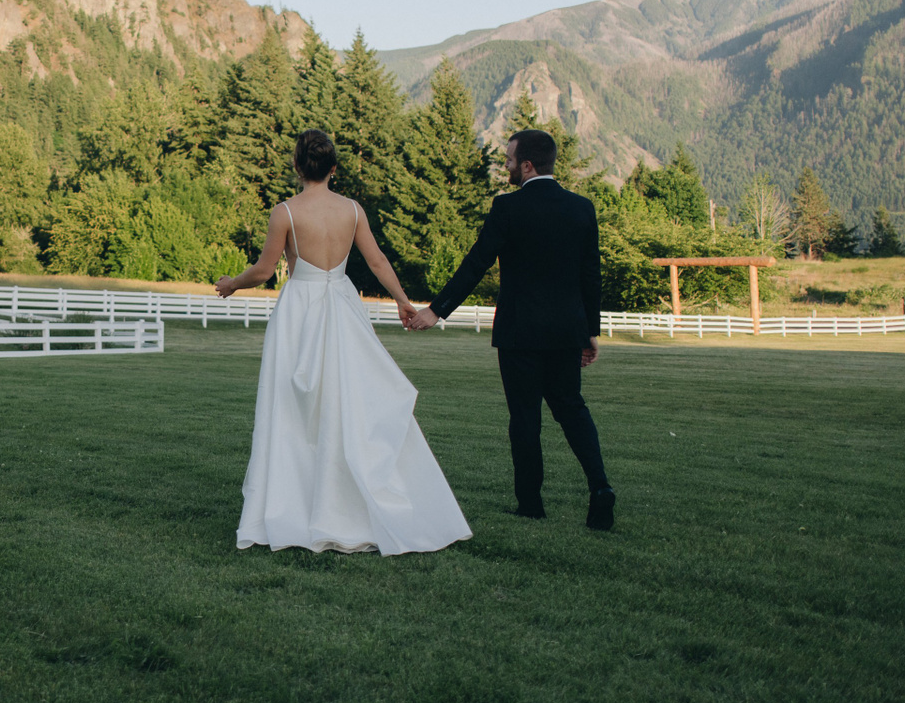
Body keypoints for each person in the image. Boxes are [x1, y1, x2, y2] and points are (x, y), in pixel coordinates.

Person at [219, 129, 472, 554]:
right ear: (333, 168)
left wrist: (231, 284)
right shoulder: (352, 210)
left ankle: (297, 502)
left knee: (292, 407)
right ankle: (343, 499)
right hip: (342, 306)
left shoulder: (285, 212)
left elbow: (263, 271)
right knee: (347, 401)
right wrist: (403, 301)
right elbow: (377, 260)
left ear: (297, 166)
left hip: (299, 312)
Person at [410, 128, 616, 531]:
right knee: (572, 409)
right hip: (566, 331)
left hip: (520, 331)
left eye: (508, 160)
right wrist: (589, 332)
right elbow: (591, 276)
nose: (505, 166)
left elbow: (477, 262)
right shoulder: (582, 208)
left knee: (524, 416)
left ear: (527, 165)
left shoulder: (508, 207)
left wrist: (437, 310)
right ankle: (600, 487)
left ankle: (531, 504)